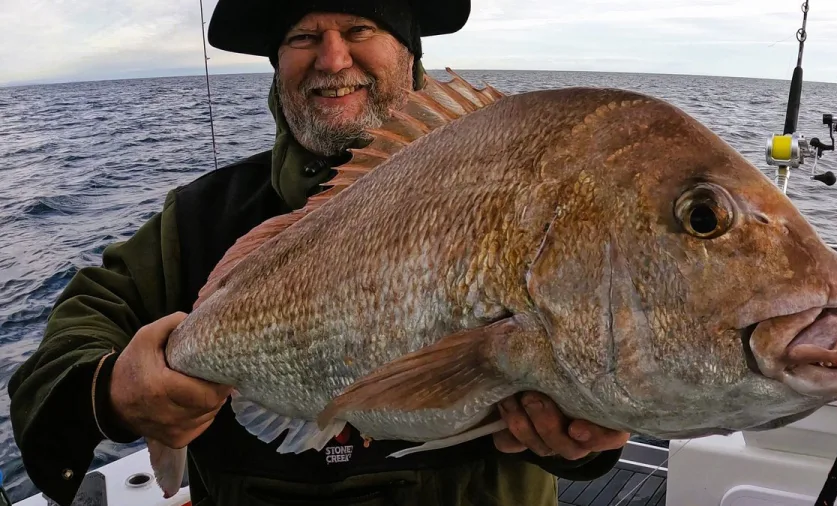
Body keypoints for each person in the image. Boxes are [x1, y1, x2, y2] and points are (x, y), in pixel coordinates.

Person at [8, 1, 630, 505]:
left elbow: (597, 371)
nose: (332, 58)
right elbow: (65, 344)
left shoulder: (520, 185)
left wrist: (583, 433)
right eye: (304, 36)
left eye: (359, 27)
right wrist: (114, 390)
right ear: (277, 63)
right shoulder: (198, 218)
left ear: (410, 55)